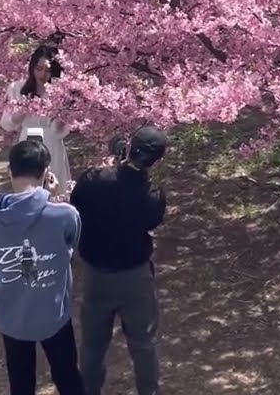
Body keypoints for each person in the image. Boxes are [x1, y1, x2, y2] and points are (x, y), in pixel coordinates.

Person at [69, 127, 169, 395]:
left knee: (92, 344)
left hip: (97, 275)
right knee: (143, 344)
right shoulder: (152, 195)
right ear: (157, 159)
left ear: (130, 146)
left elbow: (76, 204)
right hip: (135, 276)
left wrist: (114, 164)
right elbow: (151, 219)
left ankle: (88, 389)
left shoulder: (93, 180)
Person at [0, 140, 84, 395]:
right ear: (46, 172)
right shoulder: (65, 215)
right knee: (68, 377)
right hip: (53, 314)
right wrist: (55, 199)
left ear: (10, 171)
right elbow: (71, 245)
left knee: (21, 383)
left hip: (11, 316)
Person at [1, 45, 73, 195]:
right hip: (27, 141)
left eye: (48, 70)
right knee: (28, 186)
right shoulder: (17, 88)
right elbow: (6, 123)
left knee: (55, 187)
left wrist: (62, 114)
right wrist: (22, 111)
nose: (42, 74)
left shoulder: (60, 90)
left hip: (52, 142)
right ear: (32, 67)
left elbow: (59, 131)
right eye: (38, 68)